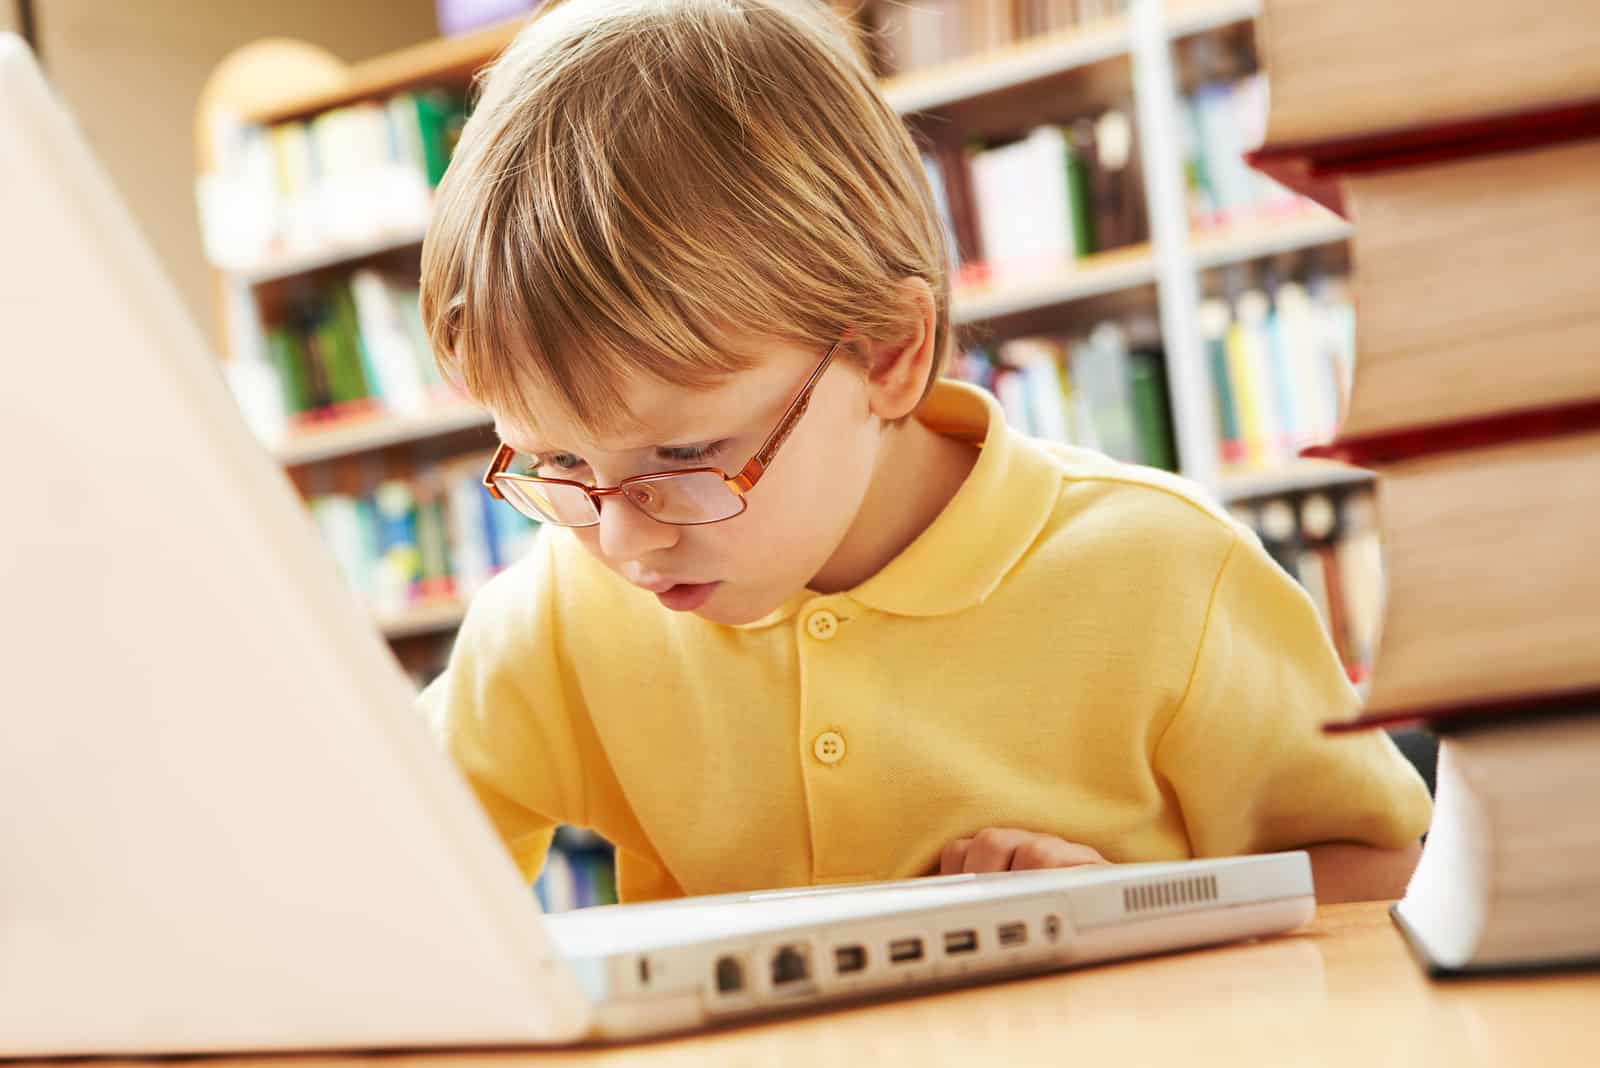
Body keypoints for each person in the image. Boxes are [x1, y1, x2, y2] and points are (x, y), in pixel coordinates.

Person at [417, 0, 1430, 904]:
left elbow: (1386, 878)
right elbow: (382, 883)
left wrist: (1143, 910)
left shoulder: (1167, 574)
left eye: (682, 454)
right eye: (555, 465)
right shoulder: (558, 617)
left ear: (890, 355)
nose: (625, 540)